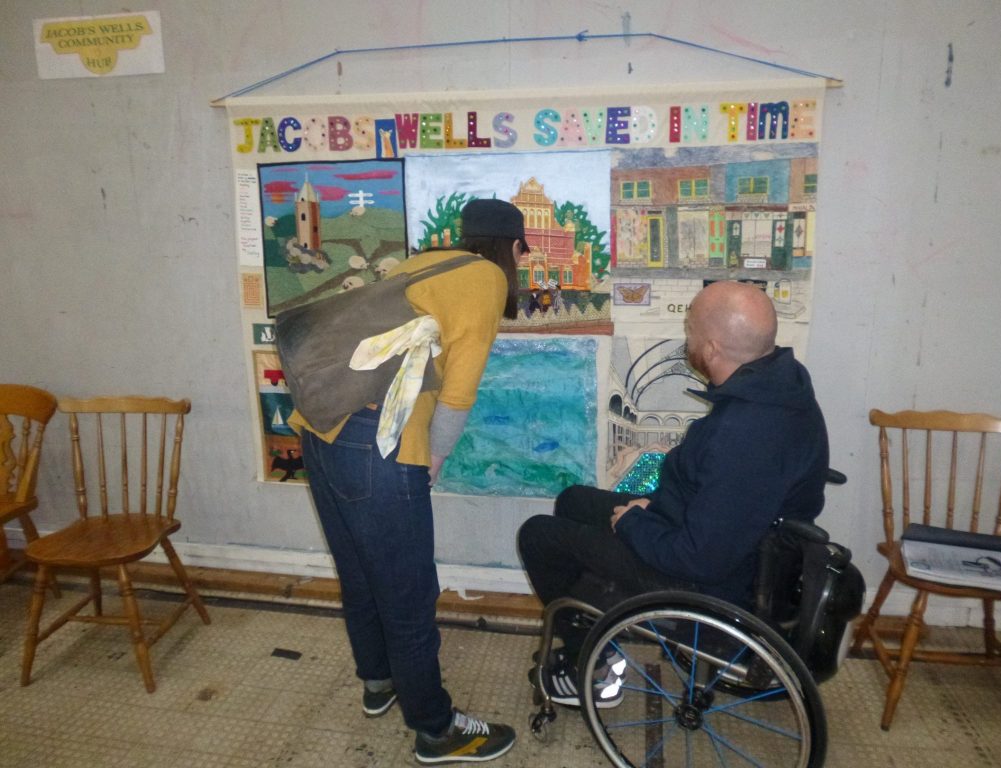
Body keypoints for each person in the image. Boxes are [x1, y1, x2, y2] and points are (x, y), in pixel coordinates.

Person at [290, 199, 528, 764]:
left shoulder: (417, 264)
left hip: (320, 429)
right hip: (379, 442)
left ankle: (378, 683)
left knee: (359, 573)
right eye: (523, 251)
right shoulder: (487, 278)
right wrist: (433, 458)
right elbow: (460, 389)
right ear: (512, 247)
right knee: (409, 594)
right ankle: (435, 728)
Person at [517, 280, 829, 708]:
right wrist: (658, 504)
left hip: (712, 580)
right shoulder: (778, 387)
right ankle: (596, 621)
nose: (686, 338)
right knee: (572, 500)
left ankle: (589, 665)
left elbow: (700, 558)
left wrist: (633, 523)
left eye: (690, 331)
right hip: (719, 537)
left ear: (713, 349)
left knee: (539, 536)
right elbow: (718, 494)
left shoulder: (745, 433)